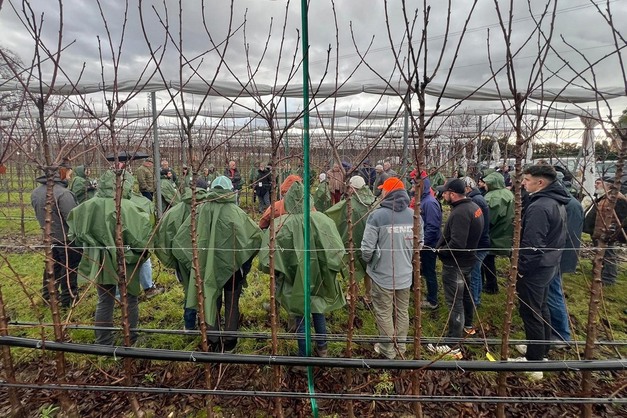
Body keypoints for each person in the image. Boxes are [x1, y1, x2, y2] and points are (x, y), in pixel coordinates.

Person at [171, 176, 262, 351]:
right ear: (230, 190)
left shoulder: (200, 210)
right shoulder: (236, 212)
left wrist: (193, 263)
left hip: (205, 268)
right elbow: (254, 237)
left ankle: (212, 339)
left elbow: (181, 239)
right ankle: (229, 341)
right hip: (233, 270)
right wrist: (243, 263)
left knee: (209, 299)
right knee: (232, 302)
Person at [259, 179, 345, 359]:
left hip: (294, 278)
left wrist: (282, 271)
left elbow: (269, 255)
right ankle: (322, 348)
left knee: (300, 313)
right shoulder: (322, 220)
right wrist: (329, 268)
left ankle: (303, 356)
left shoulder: (282, 224)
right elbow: (337, 249)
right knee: (318, 307)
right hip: (318, 275)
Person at [67, 169, 152, 345]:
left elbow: (74, 233)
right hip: (126, 260)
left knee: (105, 299)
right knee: (130, 299)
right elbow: (140, 239)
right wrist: (143, 253)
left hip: (100, 261)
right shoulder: (128, 207)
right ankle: (131, 338)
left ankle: (103, 341)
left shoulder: (87, 206)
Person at [513, 165, 569, 379]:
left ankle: (534, 362)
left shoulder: (540, 206)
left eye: (527, 180)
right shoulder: (555, 201)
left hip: (535, 268)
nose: (523, 183)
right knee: (541, 307)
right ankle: (540, 349)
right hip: (549, 264)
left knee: (531, 312)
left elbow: (532, 244)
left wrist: (521, 269)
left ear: (540, 182)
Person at [362, 177, 419, 359]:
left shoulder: (377, 216)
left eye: (383, 190)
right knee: (402, 311)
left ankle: (388, 350)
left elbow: (367, 249)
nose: (381, 193)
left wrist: (371, 262)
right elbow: (420, 244)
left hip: (382, 276)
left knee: (384, 312)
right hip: (406, 274)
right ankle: (400, 347)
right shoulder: (414, 215)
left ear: (388, 192)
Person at [428, 178, 484, 358]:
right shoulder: (474, 207)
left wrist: (440, 250)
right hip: (468, 261)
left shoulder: (460, 213)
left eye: (444, 192)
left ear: (452, 194)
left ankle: (452, 345)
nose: (442, 195)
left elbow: (458, 243)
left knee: (455, 302)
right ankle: (468, 326)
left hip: (456, 264)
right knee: (466, 295)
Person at [154, 179, 211, 329]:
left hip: (182, 260)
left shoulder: (174, 212)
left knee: (189, 290)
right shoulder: (210, 209)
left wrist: (173, 261)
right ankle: (208, 325)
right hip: (207, 258)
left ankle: (189, 326)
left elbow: (162, 238)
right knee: (208, 290)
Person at [31, 165, 82, 308]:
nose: (70, 177)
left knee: (51, 267)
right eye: (69, 174)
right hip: (66, 238)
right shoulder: (63, 194)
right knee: (69, 268)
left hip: (49, 237)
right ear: (62, 173)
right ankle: (69, 298)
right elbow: (72, 218)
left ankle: (48, 296)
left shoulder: (36, 192)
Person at [326, 175, 376, 305]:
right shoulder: (373, 201)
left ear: (353, 188)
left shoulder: (349, 203)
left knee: (353, 268)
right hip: (371, 242)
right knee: (369, 269)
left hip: (353, 240)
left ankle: (351, 295)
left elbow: (336, 215)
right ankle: (369, 297)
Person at [547, 181, 583, 345]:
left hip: (559, 256)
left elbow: (566, 235)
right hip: (557, 255)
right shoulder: (567, 202)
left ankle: (561, 334)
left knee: (553, 292)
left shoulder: (570, 205)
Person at [583, 177, 627, 286]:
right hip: (599, 231)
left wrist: (613, 232)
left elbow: (621, 218)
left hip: (608, 234)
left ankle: (609, 278)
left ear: (607, 185)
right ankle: (599, 273)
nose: (595, 185)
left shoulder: (617, 199)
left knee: (608, 255)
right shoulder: (604, 197)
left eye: (598, 183)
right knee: (600, 254)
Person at [410, 176, 442, 310]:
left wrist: (423, 244)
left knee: (429, 271)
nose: (412, 188)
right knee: (419, 268)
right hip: (422, 243)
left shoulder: (429, 203)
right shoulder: (421, 201)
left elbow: (433, 227)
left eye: (414, 185)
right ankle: (415, 289)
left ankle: (432, 300)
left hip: (428, 245)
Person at [481, 171, 514, 294]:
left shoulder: (494, 197)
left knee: (486, 259)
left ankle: (491, 286)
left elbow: (489, 219)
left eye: (486, 183)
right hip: (508, 232)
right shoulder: (508, 193)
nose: (484, 185)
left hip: (496, 233)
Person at [462, 176, 491, 308]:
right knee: (476, 272)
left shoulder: (475, 201)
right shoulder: (478, 198)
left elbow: (477, 225)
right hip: (482, 242)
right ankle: (476, 297)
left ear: (468, 188)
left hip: (479, 244)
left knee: (473, 273)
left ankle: (474, 300)